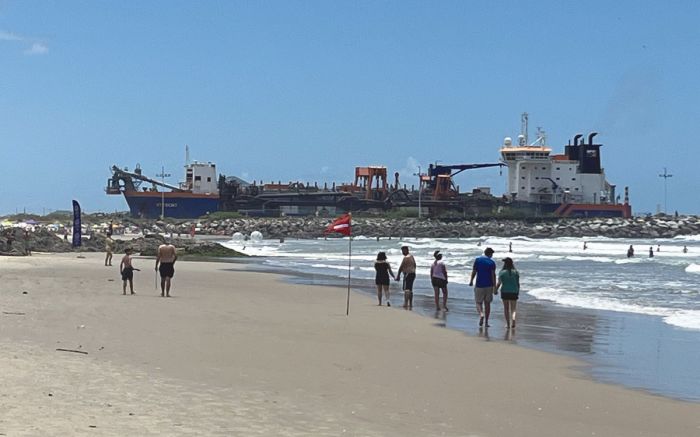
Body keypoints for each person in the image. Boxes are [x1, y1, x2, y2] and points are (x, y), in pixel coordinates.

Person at [469, 247, 497, 327]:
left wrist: (471, 280)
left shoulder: (478, 260)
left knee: (478, 302)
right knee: (487, 303)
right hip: (489, 285)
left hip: (479, 285)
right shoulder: (492, 263)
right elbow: (493, 275)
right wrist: (494, 287)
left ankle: (481, 314)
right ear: (490, 254)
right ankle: (487, 322)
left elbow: (474, 271)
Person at [495, 257, 520, 329]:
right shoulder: (516, 272)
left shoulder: (502, 272)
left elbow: (499, 283)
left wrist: (495, 290)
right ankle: (513, 319)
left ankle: (508, 324)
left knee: (506, 308)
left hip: (505, 291)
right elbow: (518, 283)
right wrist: (517, 291)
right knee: (513, 309)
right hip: (514, 291)